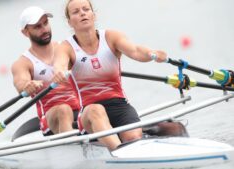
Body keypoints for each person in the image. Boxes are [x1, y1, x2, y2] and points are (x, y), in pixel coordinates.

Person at [52, 0, 167, 150]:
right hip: (89, 112)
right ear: (69, 22)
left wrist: (152, 54)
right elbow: (59, 64)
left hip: (120, 106)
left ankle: (129, 147)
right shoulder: (65, 47)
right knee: (96, 110)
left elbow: (136, 51)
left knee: (133, 138)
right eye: (76, 12)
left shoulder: (112, 36)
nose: (82, 13)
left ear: (94, 15)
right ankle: (121, 153)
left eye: (86, 9)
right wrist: (59, 72)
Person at [11, 6, 80, 135]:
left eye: (46, 23)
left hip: (81, 109)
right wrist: (27, 85)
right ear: (25, 32)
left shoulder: (66, 48)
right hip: (51, 117)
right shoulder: (23, 63)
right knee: (64, 110)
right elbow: (20, 83)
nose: (45, 30)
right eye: (37, 27)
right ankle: (73, 145)